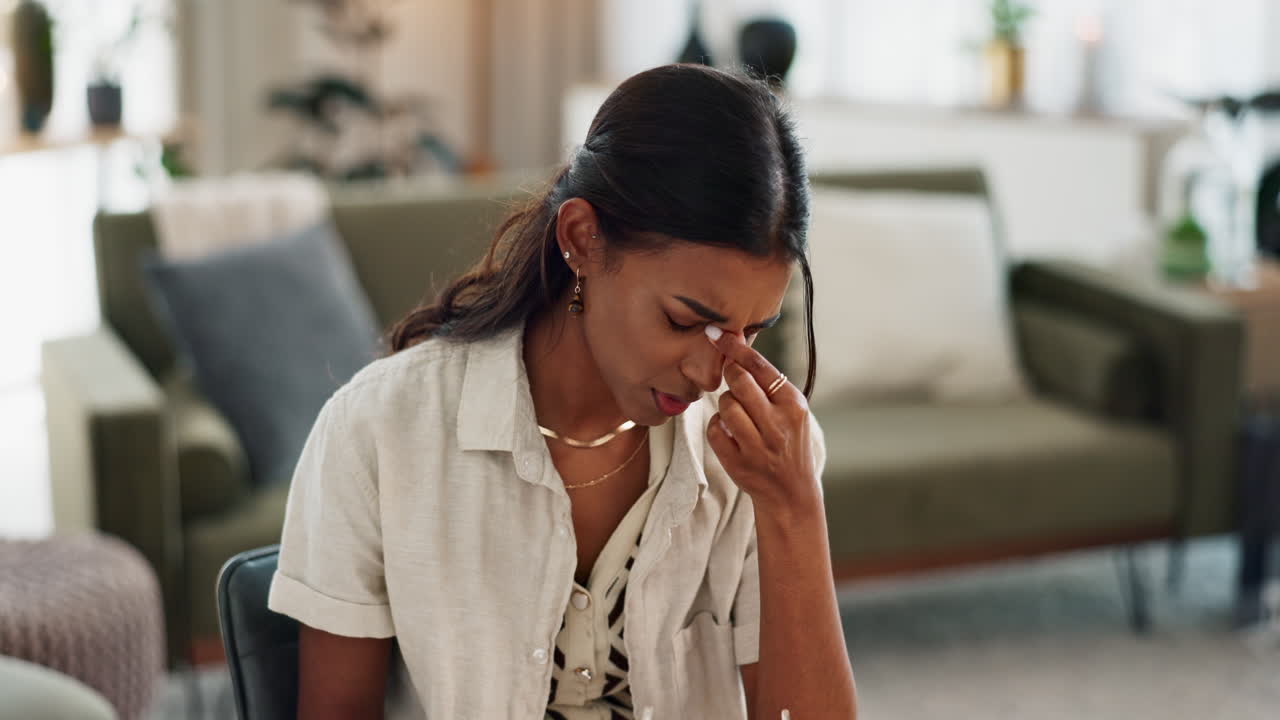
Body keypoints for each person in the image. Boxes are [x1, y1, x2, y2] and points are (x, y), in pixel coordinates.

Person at [267, 63, 858, 720]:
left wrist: (794, 508)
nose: (713, 372)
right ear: (580, 239)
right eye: (685, 321)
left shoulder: (757, 454)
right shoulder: (379, 429)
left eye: (752, 331)